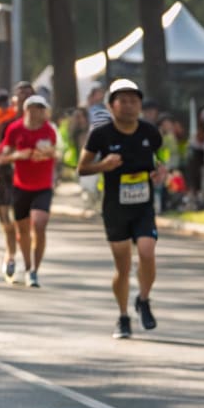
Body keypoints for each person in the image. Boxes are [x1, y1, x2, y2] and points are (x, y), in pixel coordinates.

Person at [78, 79, 168, 339]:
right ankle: (123, 316)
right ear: (111, 105)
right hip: (115, 208)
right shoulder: (101, 135)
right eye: (123, 101)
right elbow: (82, 168)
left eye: (134, 101)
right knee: (123, 266)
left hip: (143, 206)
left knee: (147, 251)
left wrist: (161, 172)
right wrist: (103, 165)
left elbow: (160, 160)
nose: (129, 106)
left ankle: (144, 299)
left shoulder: (150, 132)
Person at [0, 91, 56, 287]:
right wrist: (18, 155)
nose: (36, 112)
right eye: (33, 108)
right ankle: (27, 265)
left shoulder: (49, 130)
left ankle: (34, 271)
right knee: (22, 229)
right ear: (25, 110)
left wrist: (47, 153)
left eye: (40, 108)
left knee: (39, 224)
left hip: (43, 186)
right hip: (21, 186)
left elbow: (55, 151)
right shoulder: (15, 129)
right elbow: (2, 157)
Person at [0, 80, 33, 283]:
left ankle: (23, 262)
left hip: (30, 181)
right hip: (6, 177)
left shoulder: (42, 126)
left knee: (23, 224)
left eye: (28, 94)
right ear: (14, 100)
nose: (24, 97)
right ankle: (10, 254)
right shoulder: (6, 125)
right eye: (20, 94)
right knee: (7, 222)